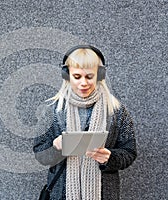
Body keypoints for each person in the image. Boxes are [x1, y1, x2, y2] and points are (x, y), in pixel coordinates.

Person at [33, 45, 137, 200]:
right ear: (67, 75)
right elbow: (40, 155)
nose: (83, 83)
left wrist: (110, 157)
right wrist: (56, 147)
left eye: (89, 77)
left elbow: (129, 152)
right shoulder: (52, 110)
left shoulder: (116, 111)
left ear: (100, 75)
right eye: (77, 77)